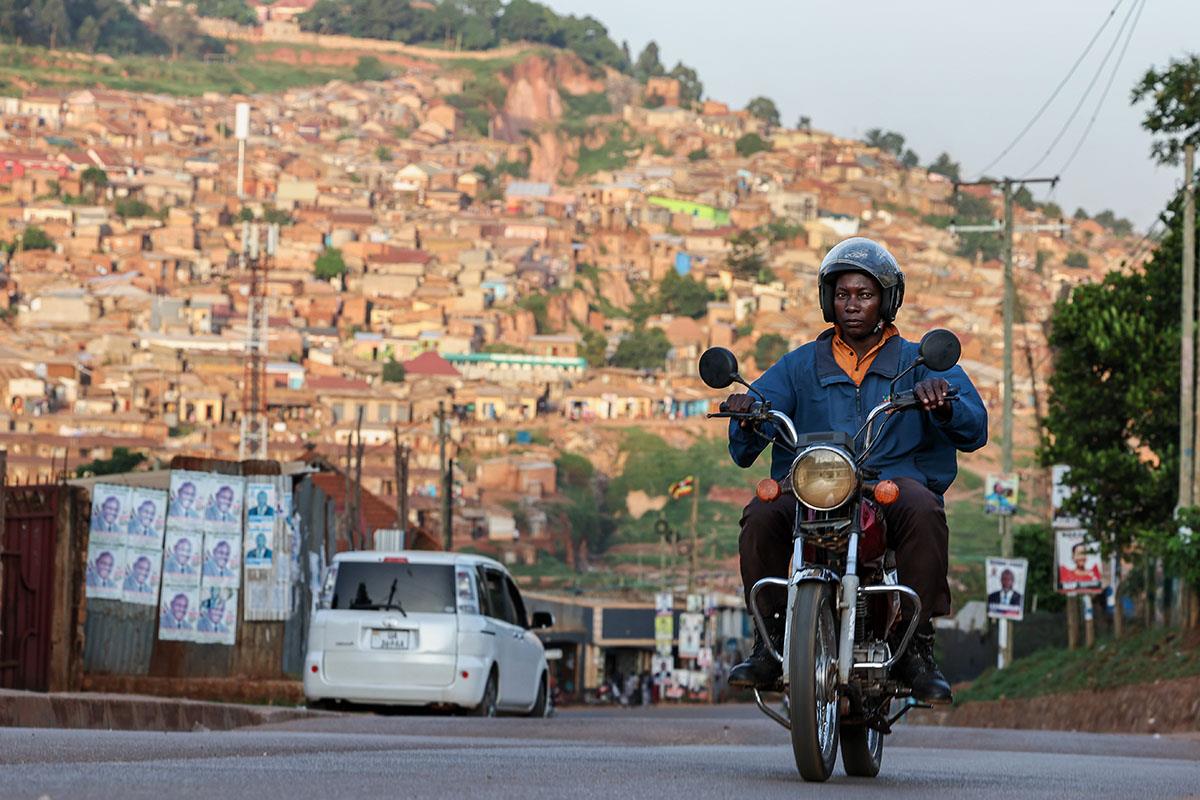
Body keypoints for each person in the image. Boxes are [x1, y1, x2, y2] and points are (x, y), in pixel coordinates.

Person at [722, 237, 988, 705]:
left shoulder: (916, 361)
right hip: (812, 485)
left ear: (886, 300)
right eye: (843, 294)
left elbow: (974, 425)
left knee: (924, 509)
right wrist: (747, 412)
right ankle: (769, 640)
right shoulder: (800, 364)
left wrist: (942, 403)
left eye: (864, 295)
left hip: (890, 483)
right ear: (829, 299)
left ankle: (916, 644)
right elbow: (752, 431)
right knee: (761, 514)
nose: (852, 305)